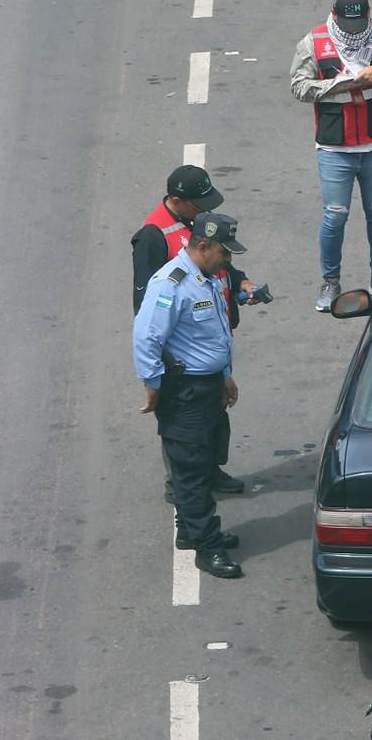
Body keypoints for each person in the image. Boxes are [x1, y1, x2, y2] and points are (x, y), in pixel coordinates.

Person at [289, 0, 372, 312]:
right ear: (334, 15)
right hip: (336, 149)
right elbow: (298, 85)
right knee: (335, 216)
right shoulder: (313, 41)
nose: (353, 31)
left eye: (358, 24)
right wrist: (333, 86)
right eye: (347, 25)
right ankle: (330, 282)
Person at [132, 164, 256, 504]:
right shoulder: (153, 236)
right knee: (184, 429)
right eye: (198, 203)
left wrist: (239, 280)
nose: (206, 209)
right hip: (184, 354)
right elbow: (146, 306)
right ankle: (181, 484)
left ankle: (210, 471)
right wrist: (159, 369)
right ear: (176, 200)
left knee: (214, 416)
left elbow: (221, 261)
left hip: (211, 337)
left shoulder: (196, 225)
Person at [133, 213, 247, 579]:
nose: (227, 260)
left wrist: (225, 377)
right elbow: (147, 337)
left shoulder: (206, 278)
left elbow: (213, 336)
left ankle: (189, 530)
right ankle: (207, 547)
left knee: (201, 460)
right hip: (184, 392)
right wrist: (153, 386)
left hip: (208, 385)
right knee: (193, 471)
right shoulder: (171, 283)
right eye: (224, 253)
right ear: (203, 246)